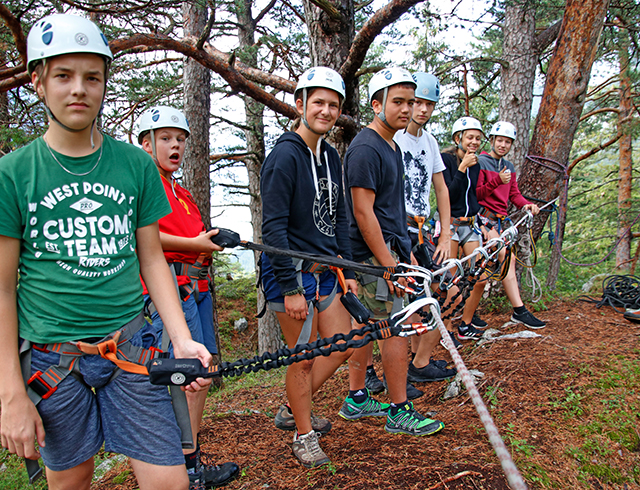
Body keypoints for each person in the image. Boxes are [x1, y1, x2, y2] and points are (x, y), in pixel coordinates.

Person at [0, 14, 211, 490]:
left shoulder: (133, 164)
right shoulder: (14, 174)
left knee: (169, 482)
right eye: (63, 76)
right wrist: (10, 390)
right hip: (53, 362)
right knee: (70, 481)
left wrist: (180, 338)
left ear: (104, 84)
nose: (79, 89)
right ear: (37, 81)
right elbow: (2, 288)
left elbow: (151, 257)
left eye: (92, 77)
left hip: (132, 348)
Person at [136, 106, 240, 488]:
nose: (174, 145)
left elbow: (190, 234)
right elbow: (142, 237)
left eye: (179, 139)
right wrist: (195, 242)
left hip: (195, 288)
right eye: (165, 139)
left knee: (202, 375)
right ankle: (183, 466)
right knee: (186, 377)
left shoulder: (178, 190)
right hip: (170, 290)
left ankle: (189, 461)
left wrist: (211, 238)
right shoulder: (144, 182)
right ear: (146, 144)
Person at [340, 66, 445, 436]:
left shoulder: (390, 145)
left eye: (411, 101)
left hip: (389, 250)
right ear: (376, 104)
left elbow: (389, 209)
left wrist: (406, 253)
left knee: (368, 326)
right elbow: (362, 212)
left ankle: (356, 398)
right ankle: (399, 409)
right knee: (395, 328)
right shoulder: (366, 148)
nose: (407, 108)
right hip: (372, 255)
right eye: (398, 101)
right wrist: (389, 264)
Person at [260, 66, 357, 468]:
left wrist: (347, 269)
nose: (326, 110)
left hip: (324, 270)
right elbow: (273, 227)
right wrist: (290, 287)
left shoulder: (331, 155)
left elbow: (341, 218)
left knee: (341, 342)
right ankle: (303, 434)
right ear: (300, 104)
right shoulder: (284, 155)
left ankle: (292, 406)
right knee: (301, 357)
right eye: (318, 102)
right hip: (291, 273)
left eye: (333, 105)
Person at [393, 72, 457, 383]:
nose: (422, 110)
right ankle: (418, 363)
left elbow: (441, 188)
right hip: (400, 229)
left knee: (436, 294)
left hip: (422, 229)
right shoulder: (394, 138)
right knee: (426, 297)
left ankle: (420, 361)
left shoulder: (429, 141)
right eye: (417, 102)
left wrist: (445, 232)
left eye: (428, 104)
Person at [473, 121, 545, 328]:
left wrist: (527, 205)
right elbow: (476, 194)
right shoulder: (481, 163)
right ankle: (468, 312)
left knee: (507, 260)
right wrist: (497, 181)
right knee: (484, 266)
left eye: (507, 142)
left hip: (499, 220)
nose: (503, 145)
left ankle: (518, 310)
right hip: (483, 220)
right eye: (500, 141)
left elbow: (513, 194)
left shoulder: (509, 167)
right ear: (492, 140)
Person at [440, 116, 487, 340]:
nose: (475, 142)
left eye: (478, 138)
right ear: (458, 138)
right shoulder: (446, 160)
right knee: (450, 277)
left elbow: (473, 196)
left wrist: (483, 221)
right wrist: (461, 169)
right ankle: (447, 327)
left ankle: (466, 323)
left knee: (481, 277)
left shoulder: (475, 163)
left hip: (470, 224)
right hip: (450, 224)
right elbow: (447, 195)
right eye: (470, 137)